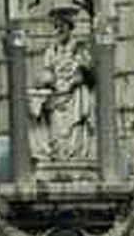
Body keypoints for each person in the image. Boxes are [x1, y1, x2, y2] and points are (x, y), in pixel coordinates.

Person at [31, 9, 95, 162]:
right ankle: (59, 156)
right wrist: (46, 80)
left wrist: (81, 71)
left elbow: (89, 71)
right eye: (56, 27)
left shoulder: (79, 48)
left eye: (62, 26)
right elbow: (47, 72)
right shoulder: (51, 51)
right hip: (57, 95)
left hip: (75, 96)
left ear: (70, 27)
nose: (59, 30)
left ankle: (76, 156)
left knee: (75, 128)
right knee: (57, 130)